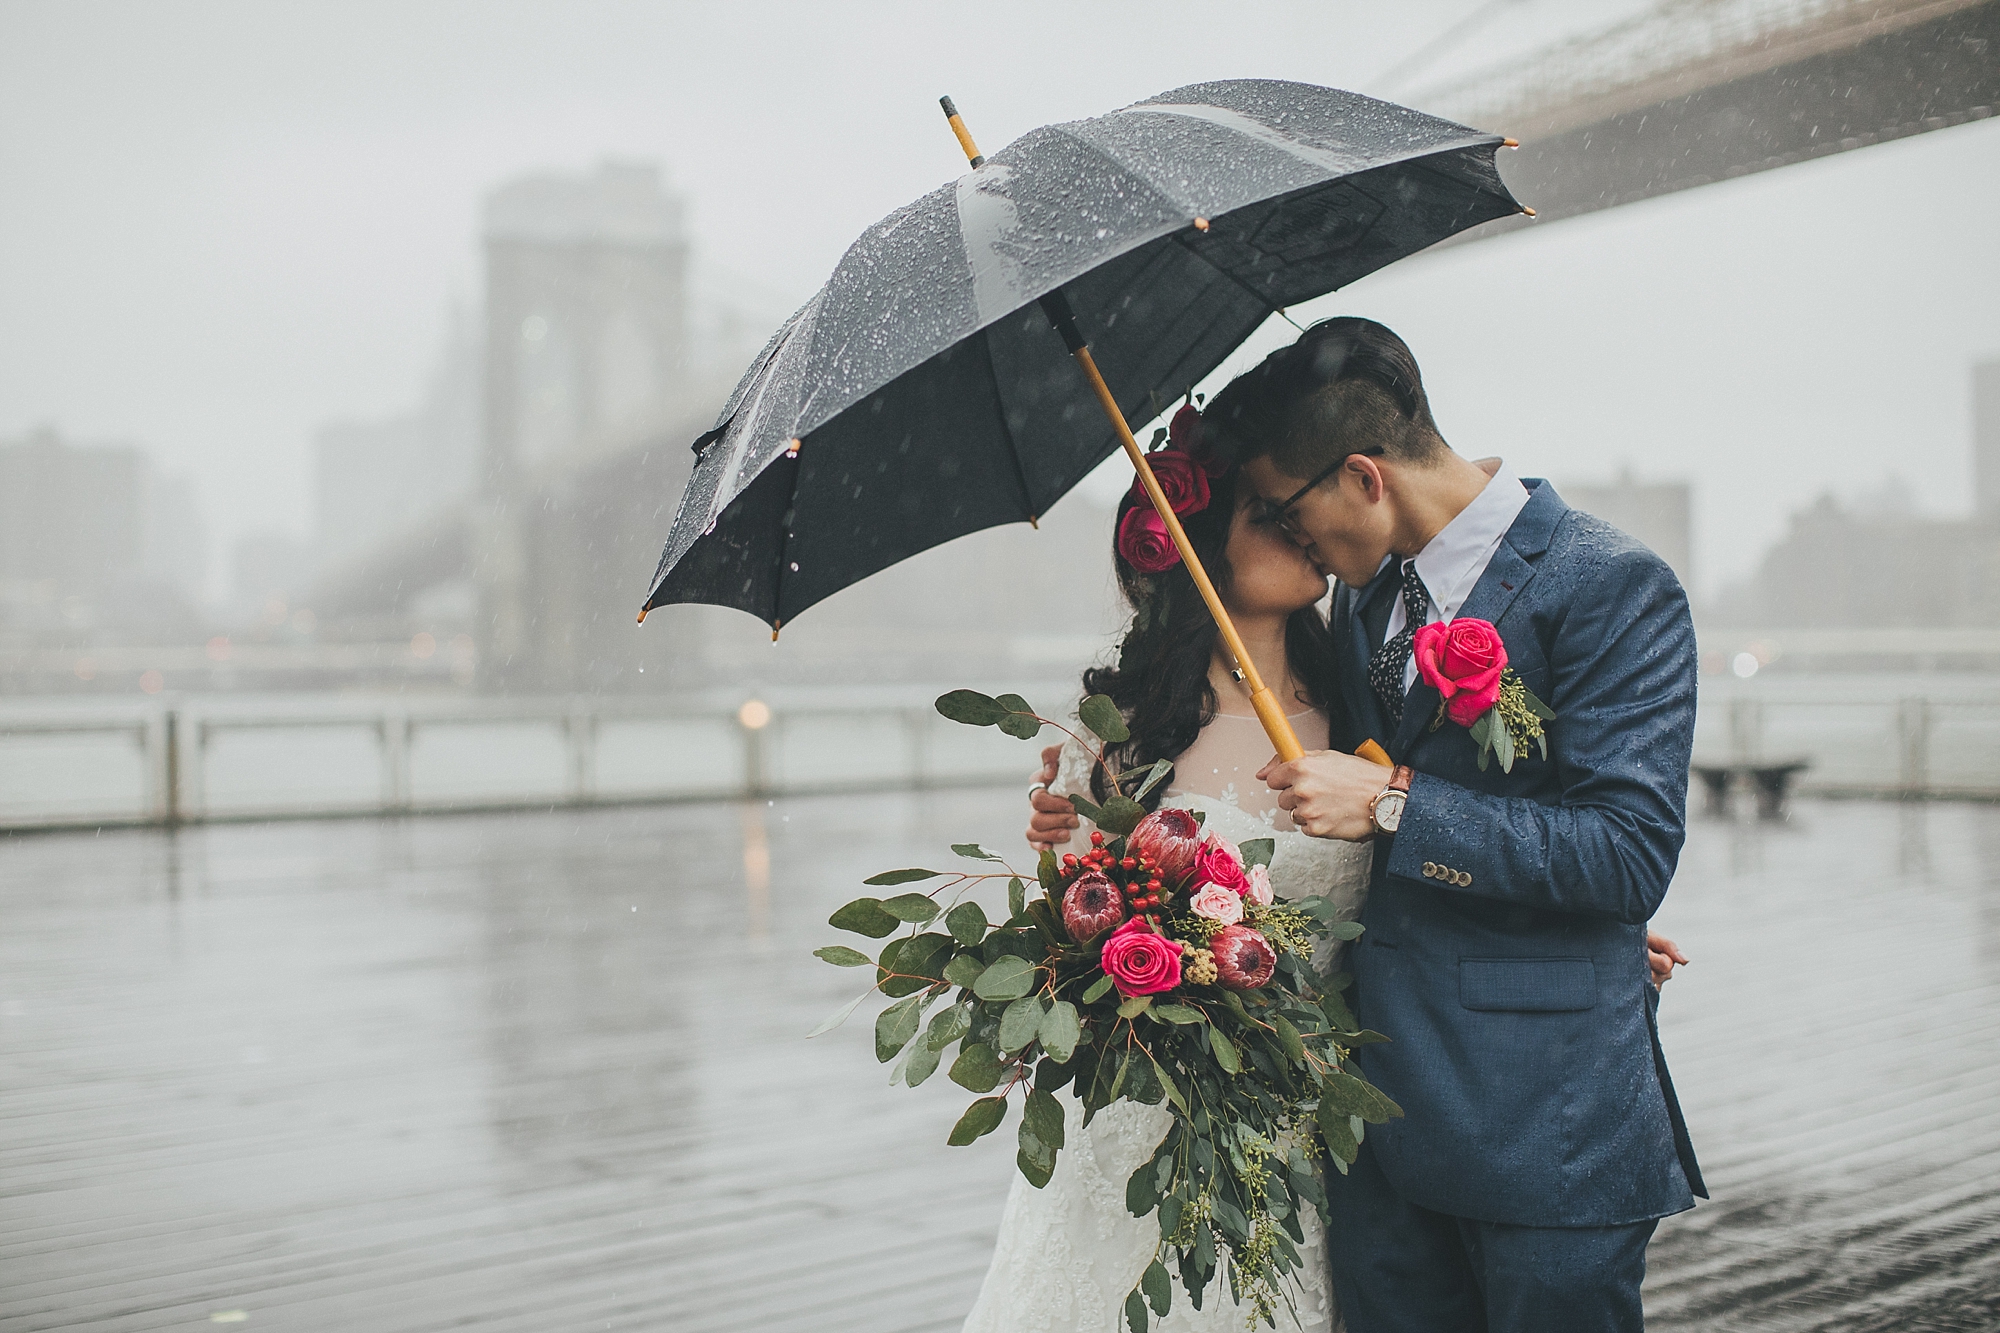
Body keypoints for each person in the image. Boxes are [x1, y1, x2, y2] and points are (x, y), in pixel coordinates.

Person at [1226, 317, 1703, 1333]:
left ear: (1361, 477)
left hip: (1545, 1122)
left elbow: (1626, 853)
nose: (1284, 536)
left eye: (1283, 508)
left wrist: (1397, 805)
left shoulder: (1612, 585)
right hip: (1381, 1121)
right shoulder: (1363, 605)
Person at [963, 409, 1372, 1333]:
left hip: (1308, 1118)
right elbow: (1068, 933)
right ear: (1193, 548)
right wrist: (1058, 856)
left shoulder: (1360, 699)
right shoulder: (1119, 725)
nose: (1303, 528)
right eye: (1267, 516)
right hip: (1151, 1121)